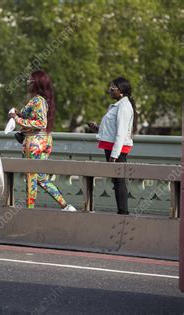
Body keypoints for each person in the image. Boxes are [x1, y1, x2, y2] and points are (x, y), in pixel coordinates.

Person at [9, 70, 77, 212]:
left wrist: (16, 119)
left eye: (30, 81)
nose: (27, 83)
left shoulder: (37, 100)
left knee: (30, 177)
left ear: (37, 83)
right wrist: (18, 113)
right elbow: (34, 119)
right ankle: (66, 206)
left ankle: (30, 211)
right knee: (40, 178)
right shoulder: (42, 100)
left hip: (34, 141)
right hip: (45, 140)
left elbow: (41, 123)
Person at [88, 77, 138, 215]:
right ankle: (121, 211)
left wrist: (114, 155)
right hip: (110, 146)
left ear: (121, 91)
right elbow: (112, 130)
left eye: (112, 88)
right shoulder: (115, 106)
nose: (109, 90)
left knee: (119, 180)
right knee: (116, 180)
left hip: (117, 149)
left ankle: (123, 212)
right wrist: (97, 128)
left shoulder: (124, 107)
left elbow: (121, 133)